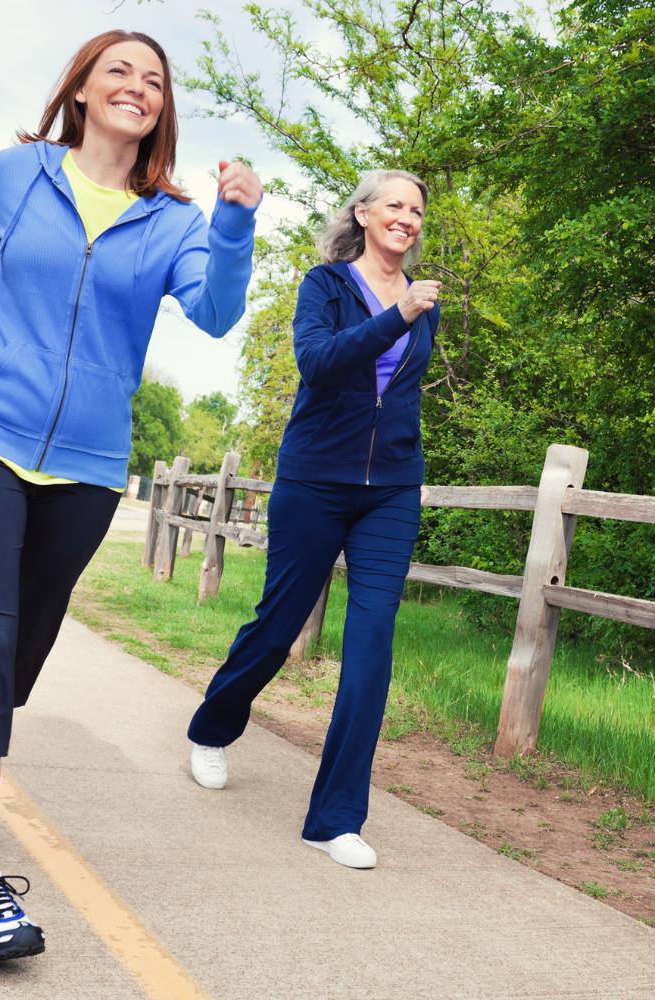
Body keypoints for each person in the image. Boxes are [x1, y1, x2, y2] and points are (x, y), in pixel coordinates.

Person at [0, 29, 261, 964]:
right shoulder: (15, 174)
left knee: (23, 649)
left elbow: (215, 312)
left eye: (154, 80)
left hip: (85, 464)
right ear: (79, 88)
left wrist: (234, 224)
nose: (136, 86)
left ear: (164, 111)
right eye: (118, 69)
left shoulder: (171, 223)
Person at [185, 169, 439, 870]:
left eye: (417, 211)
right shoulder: (324, 286)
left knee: (371, 644)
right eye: (395, 205)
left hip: (389, 492)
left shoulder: (424, 302)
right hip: (315, 482)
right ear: (362, 214)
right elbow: (318, 363)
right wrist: (400, 315)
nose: (408, 218)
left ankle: (334, 818)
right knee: (277, 626)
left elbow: (405, 397)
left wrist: (411, 471)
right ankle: (211, 726)